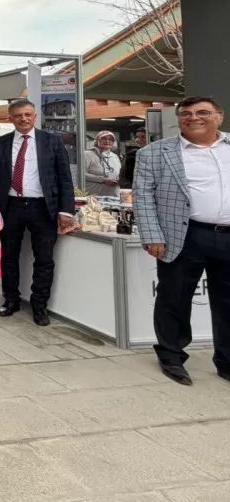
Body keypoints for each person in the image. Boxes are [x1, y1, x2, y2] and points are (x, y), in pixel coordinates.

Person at [134, 96, 230, 386]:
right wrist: (152, 235)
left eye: (203, 112)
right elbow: (143, 196)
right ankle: (172, 356)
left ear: (219, 116)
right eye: (186, 113)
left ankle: (227, 361)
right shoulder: (155, 153)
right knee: (174, 299)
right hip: (184, 236)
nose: (194, 117)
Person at [0, 99, 77, 326]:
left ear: (35, 116)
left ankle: (40, 306)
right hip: (10, 206)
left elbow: (65, 179)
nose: (24, 118)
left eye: (28, 114)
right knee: (9, 257)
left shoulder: (53, 142)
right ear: (11, 118)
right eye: (18, 115)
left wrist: (66, 211)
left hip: (43, 208)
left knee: (45, 259)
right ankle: (11, 300)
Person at [84, 131, 122, 197]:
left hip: (114, 197)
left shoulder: (115, 156)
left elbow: (120, 174)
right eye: (104, 138)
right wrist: (102, 180)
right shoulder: (87, 154)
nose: (107, 141)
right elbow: (81, 175)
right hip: (93, 198)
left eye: (110, 139)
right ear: (97, 140)